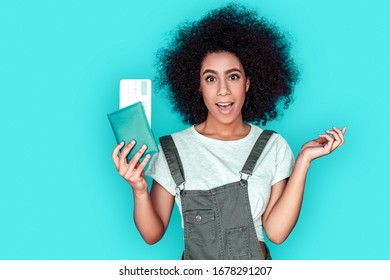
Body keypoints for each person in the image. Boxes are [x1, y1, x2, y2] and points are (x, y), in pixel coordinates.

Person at [111, 4, 346, 260]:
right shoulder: (172, 149)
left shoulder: (272, 145)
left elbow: (276, 233)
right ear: (198, 86)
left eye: (233, 77)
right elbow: (151, 235)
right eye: (211, 78)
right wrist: (139, 188)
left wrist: (303, 161)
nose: (223, 90)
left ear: (247, 82)